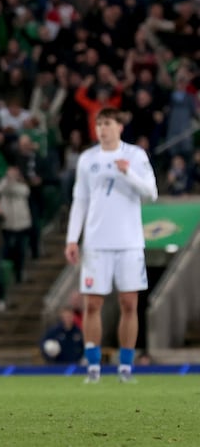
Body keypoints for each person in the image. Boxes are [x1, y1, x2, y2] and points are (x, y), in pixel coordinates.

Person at [64, 107, 157, 383]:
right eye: (99, 123)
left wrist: (129, 174)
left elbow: (151, 193)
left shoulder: (135, 156)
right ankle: (93, 368)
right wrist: (72, 238)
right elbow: (79, 200)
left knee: (129, 303)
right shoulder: (87, 159)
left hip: (129, 243)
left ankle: (126, 368)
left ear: (120, 126)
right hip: (96, 243)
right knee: (93, 304)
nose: (102, 128)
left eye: (107, 123)